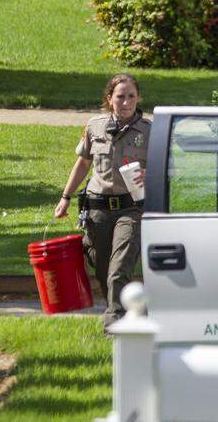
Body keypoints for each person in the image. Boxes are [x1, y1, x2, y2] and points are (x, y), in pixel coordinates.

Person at [55, 73, 151, 328]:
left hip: (130, 208)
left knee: (119, 268)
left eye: (131, 96)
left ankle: (114, 323)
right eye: (120, 96)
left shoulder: (149, 131)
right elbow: (83, 162)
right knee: (102, 267)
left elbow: (168, 168)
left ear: (138, 98)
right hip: (97, 207)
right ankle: (136, 309)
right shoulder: (94, 126)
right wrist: (65, 197)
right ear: (110, 99)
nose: (126, 102)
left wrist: (148, 173)